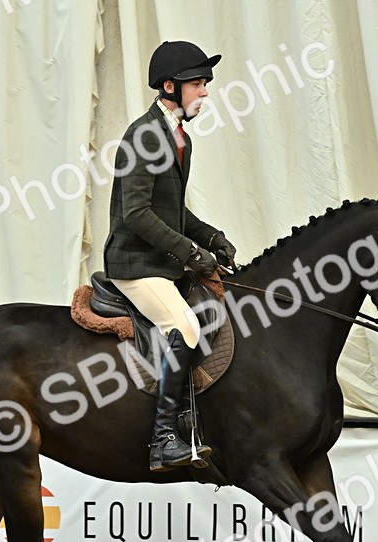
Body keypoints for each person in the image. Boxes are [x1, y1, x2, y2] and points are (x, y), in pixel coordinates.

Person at [103, 40, 237, 473]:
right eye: (197, 84)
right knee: (184, 326)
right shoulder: (144, 136)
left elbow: (173, 212)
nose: (205, 92)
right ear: (169, 87)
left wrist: (211, 237)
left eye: (205, 84)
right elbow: (136, 213)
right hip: (135, 265)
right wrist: (191, 253)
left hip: (161, 263)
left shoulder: (179, 138)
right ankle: (163, 440)